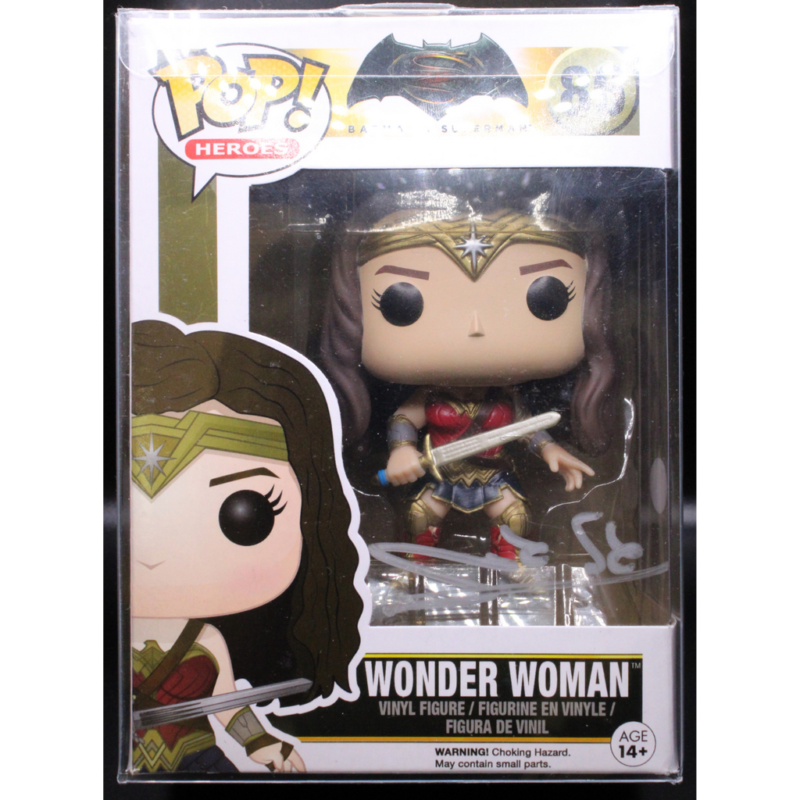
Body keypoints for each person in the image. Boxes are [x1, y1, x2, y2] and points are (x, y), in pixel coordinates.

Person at [321, 183, 615, 559]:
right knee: (420, 517)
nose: (475, 327)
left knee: (514, 517)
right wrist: (401, 452)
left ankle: (516, 570)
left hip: (494, 475)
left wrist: (553, 450)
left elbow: (526, 428)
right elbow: (404, 420)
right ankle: (414, 570)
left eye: (547, 297)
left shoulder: (505, 398)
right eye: (400, 302)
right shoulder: (429, 397)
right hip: (439, 474)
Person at [130, 320, 363, 773]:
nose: (153, 557)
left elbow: (229, 705)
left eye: (247, 514)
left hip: (197, 761)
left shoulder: (205, 639)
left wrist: (263, 745)